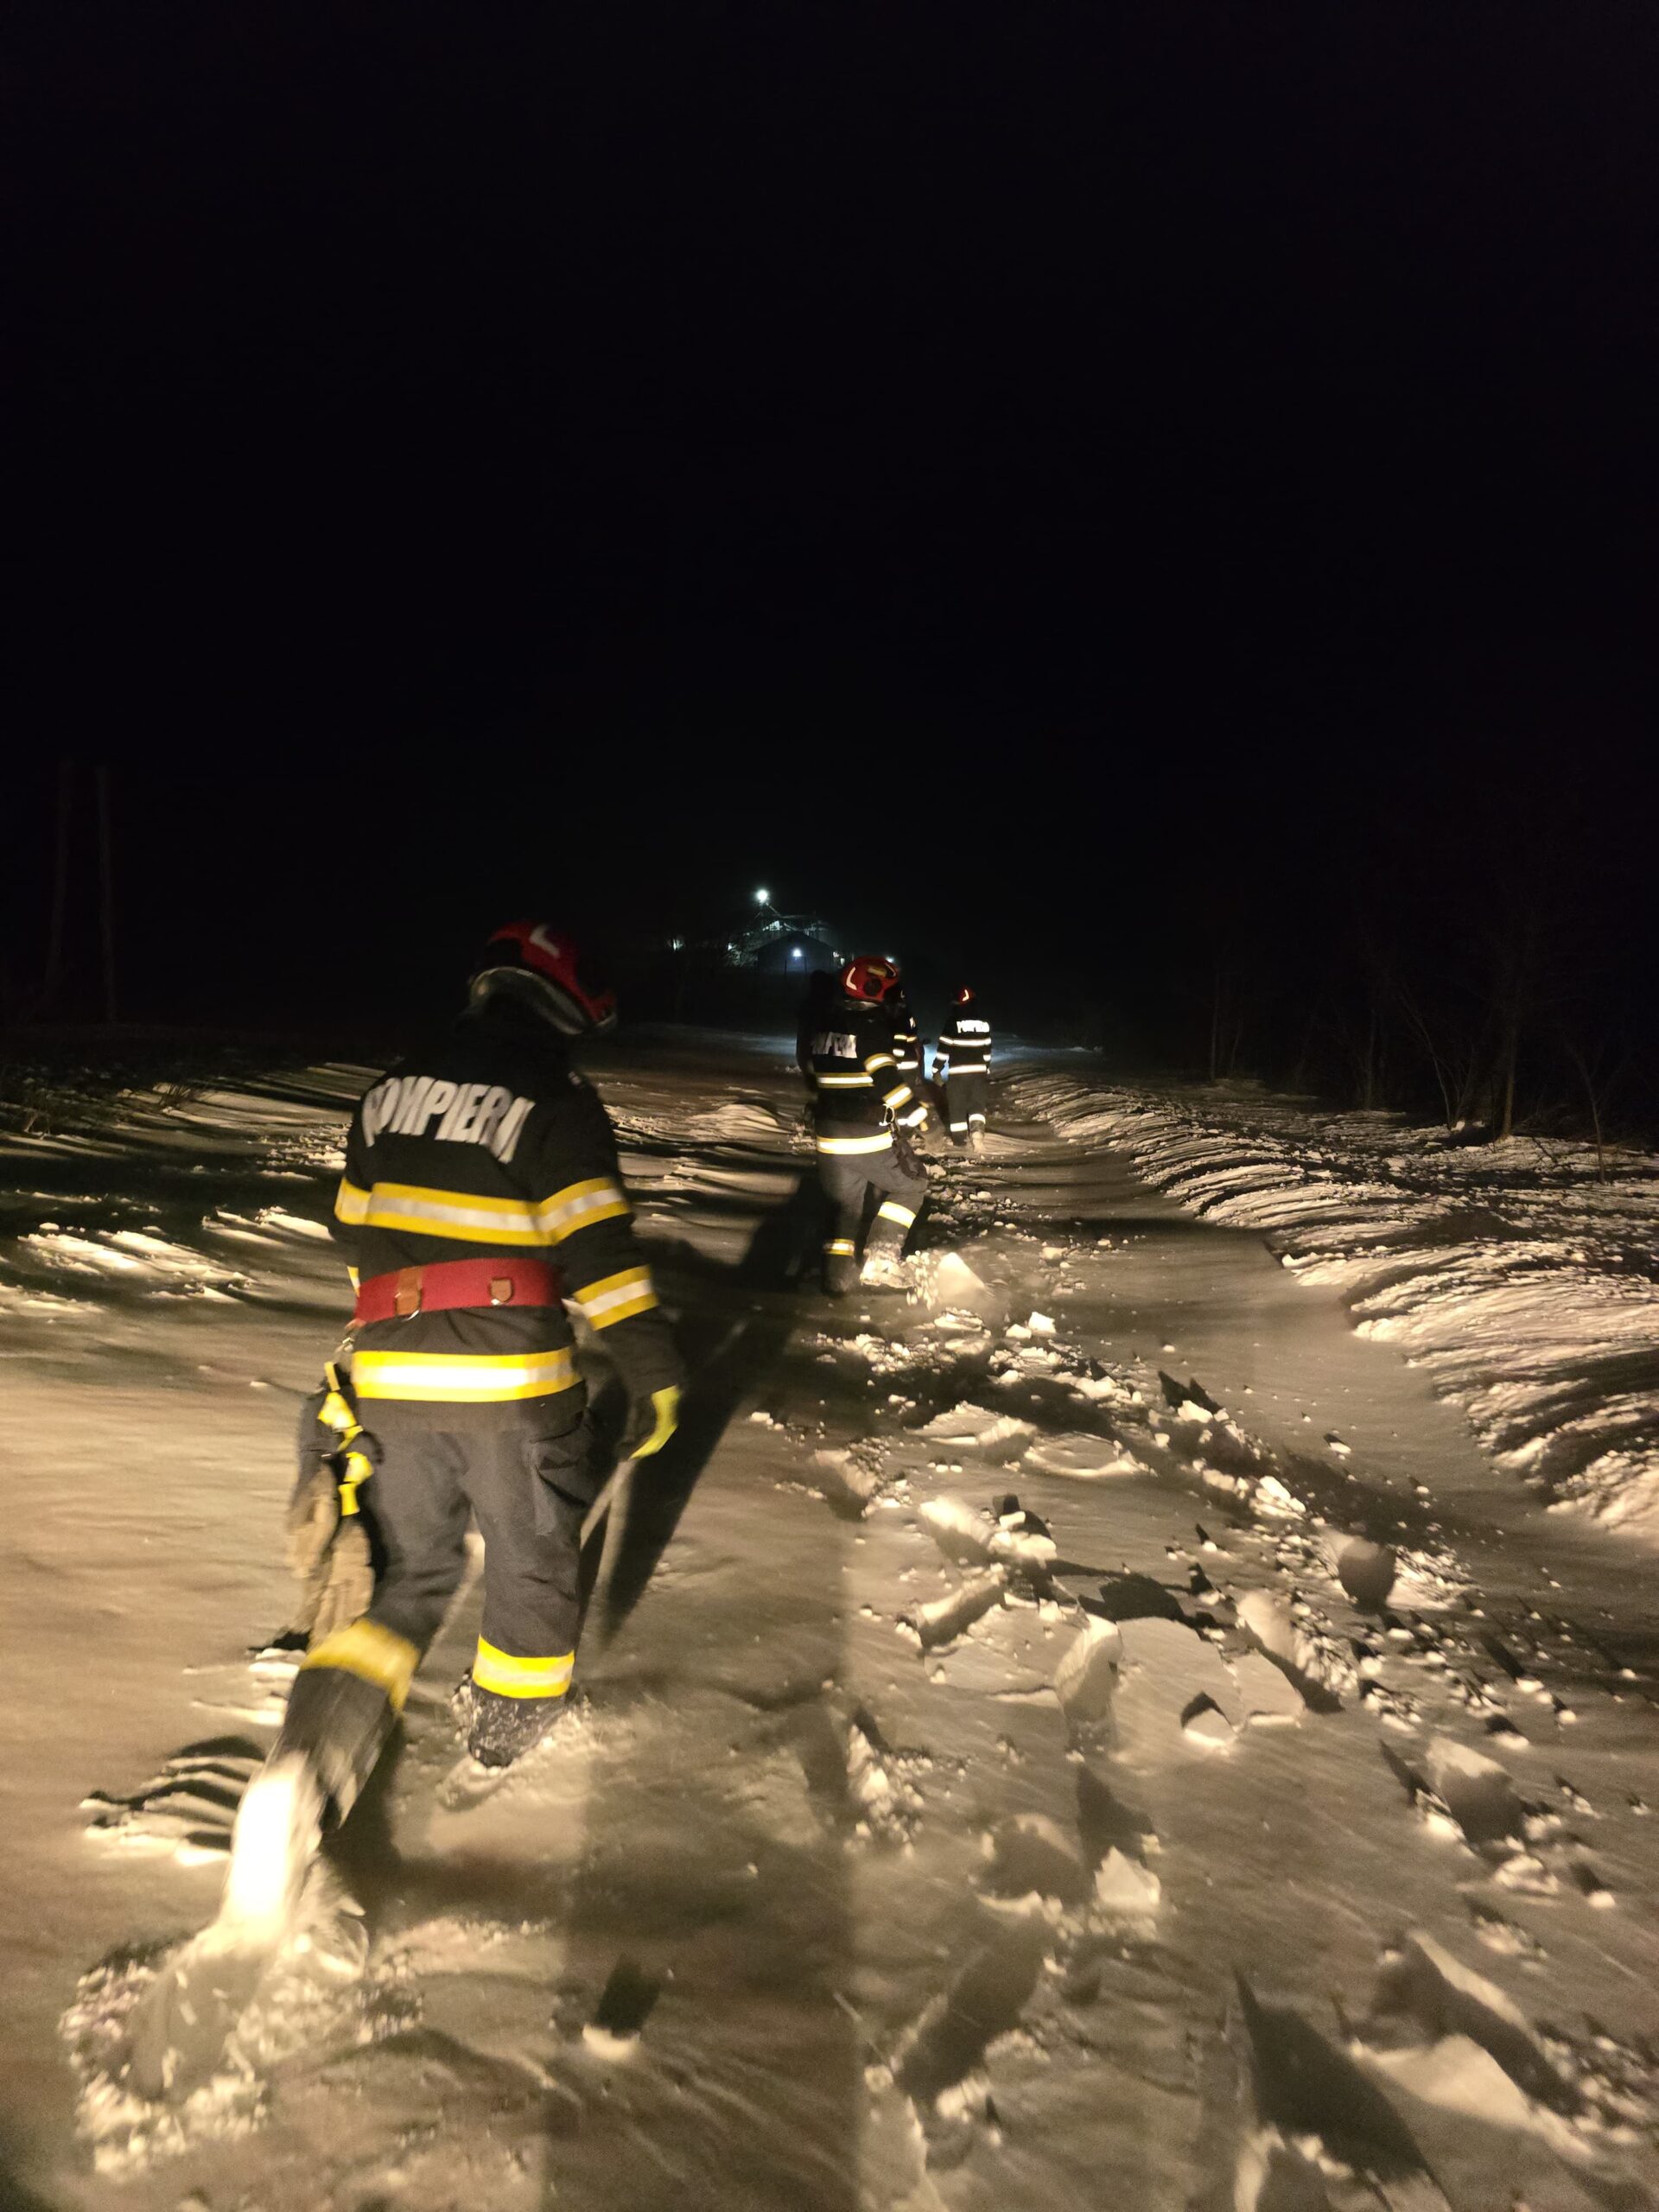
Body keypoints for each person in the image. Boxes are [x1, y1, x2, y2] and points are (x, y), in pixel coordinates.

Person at [249, 923, 687, 1878]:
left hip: (389, 1380)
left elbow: (353, 1226)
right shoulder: (555, 1101)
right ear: (569, 1006)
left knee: (402, 1578)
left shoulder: (388, 1092)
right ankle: (505, 1739)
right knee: (531, 1565)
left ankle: (304, 1768)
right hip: (512, 1387)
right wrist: (654, 1374)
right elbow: (600, 1256)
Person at [806, 956, 928, 1294]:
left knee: (845, 1208)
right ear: (872, 989)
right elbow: (887, 1079)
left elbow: (814, 1071)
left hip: (828, 1137)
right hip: (865, 1136)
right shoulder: (870, 1027)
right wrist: (923, 1120)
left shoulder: (826, 1027)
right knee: (912, 1186)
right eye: (888, 991)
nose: (893, 999)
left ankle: (835, 1278)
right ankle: (882, 1261)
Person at [935, 985, 994, 1147]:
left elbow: (944, 1048)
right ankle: (977, 1133)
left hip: (958, 1073)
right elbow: (987, 1050)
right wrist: (986, 1068)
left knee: (957, 1105)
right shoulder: (984, 1024)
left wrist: (936, 1069)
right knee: (977, 1103)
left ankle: (959, 1140)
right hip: (979, 1072)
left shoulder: (952, 1023)